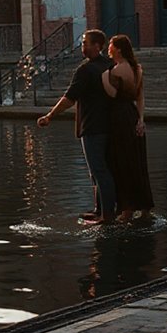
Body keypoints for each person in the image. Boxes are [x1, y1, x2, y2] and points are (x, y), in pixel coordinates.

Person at [37, 29, 115, 225]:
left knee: (98, 170)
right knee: (102, 169)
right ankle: (100, 210)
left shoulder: (86, 70)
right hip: (110, 125)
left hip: (92, 126)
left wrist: (50, 116)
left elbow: (70, 98)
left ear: (97, 46)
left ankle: (106, 215)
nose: (82, 47)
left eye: (85, 43)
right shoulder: (110, 65)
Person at [101, 34, 154, 222]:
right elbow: (140, 97)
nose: (108, 48)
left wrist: (104, 77)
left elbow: (113, 94)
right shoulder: (137, 69)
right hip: (132, 115)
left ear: (118, 49)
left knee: (121, 163)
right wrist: (140, 120)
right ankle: (145, 208)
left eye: (111, 45)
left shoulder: (115, 71)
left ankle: (127, 209)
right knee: (138, 162)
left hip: (119, 118)